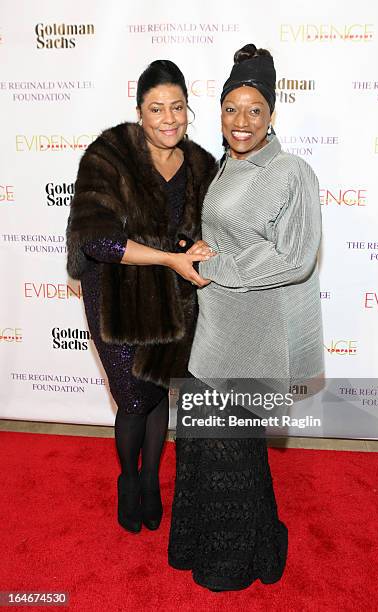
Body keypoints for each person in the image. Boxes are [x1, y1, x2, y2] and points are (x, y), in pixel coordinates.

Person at [168, 44, 324, 591]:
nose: (242, 121)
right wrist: (200, 250)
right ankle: (201, 543)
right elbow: (231, 234)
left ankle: (238, 558)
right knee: (201, 443)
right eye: (232, 107)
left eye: (254, 109)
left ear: (272, 113)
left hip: (254, 332)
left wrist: (220, 267)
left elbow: (296, 257)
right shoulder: (224, 166)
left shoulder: (291, 172)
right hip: (213, 326)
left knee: (230, 448)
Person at [66, 60, 216, 534]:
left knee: (158, 394)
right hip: (115, 298)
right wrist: (169, 258)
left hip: (172, 304)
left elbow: (213, 227)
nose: (168, 118)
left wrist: (198, 246)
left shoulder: (200, 164)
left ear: (189, 109)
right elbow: (96, 241)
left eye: (177, 107)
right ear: (139, 111)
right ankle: (129, 480)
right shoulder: (109, 154)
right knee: (132, 399)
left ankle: (152, 480)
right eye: (156, 108)